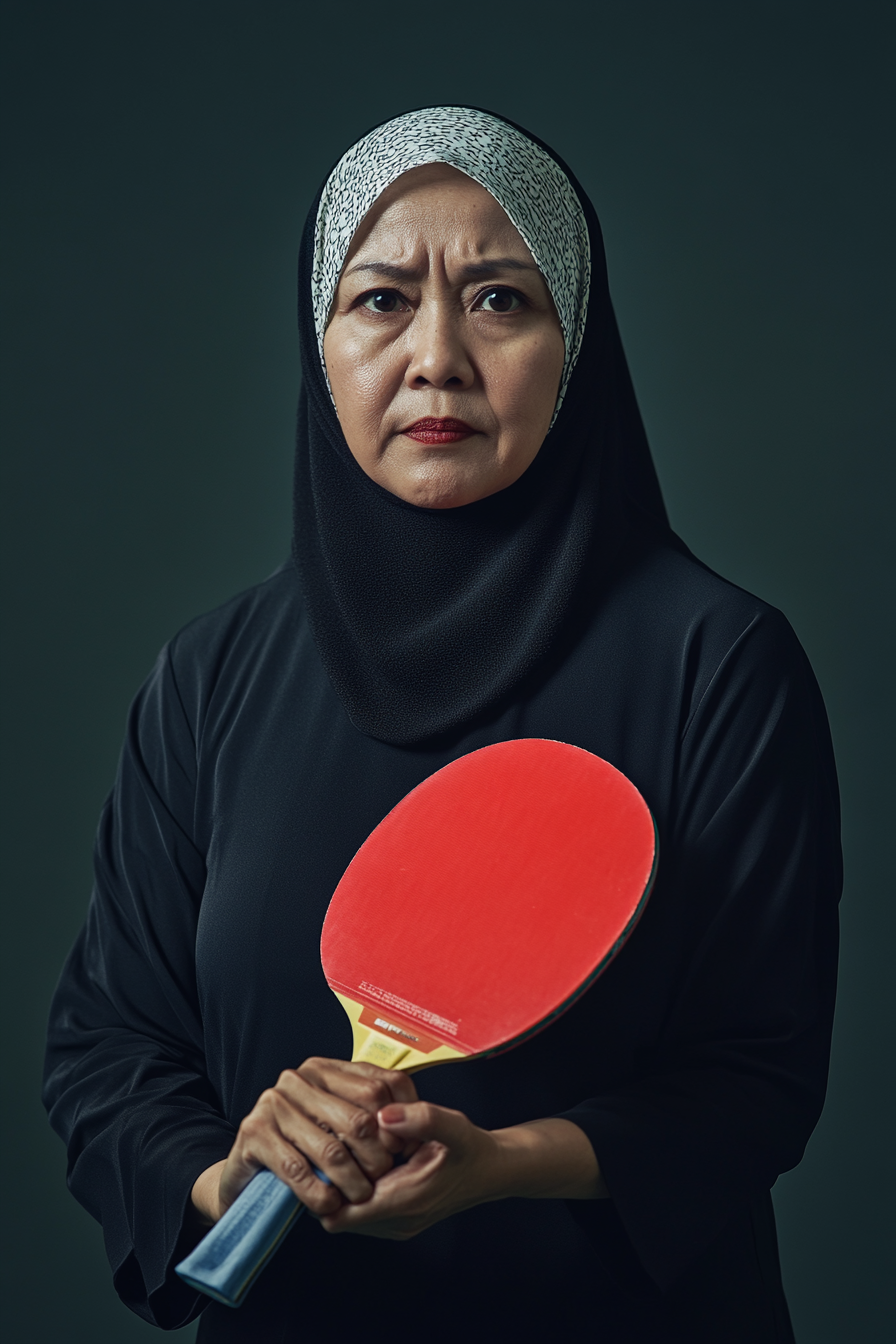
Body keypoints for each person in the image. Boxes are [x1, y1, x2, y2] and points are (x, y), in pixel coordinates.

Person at [43, 107, 841, 1343]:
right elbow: (108, 1049)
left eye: (498, 300)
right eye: (377, 301)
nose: (435, 357)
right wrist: (226, 1176)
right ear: (318, 343)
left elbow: (756, 1079)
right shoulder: (209, 674)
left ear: (574, 340)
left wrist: (506, 1161)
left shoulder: (717, 662)